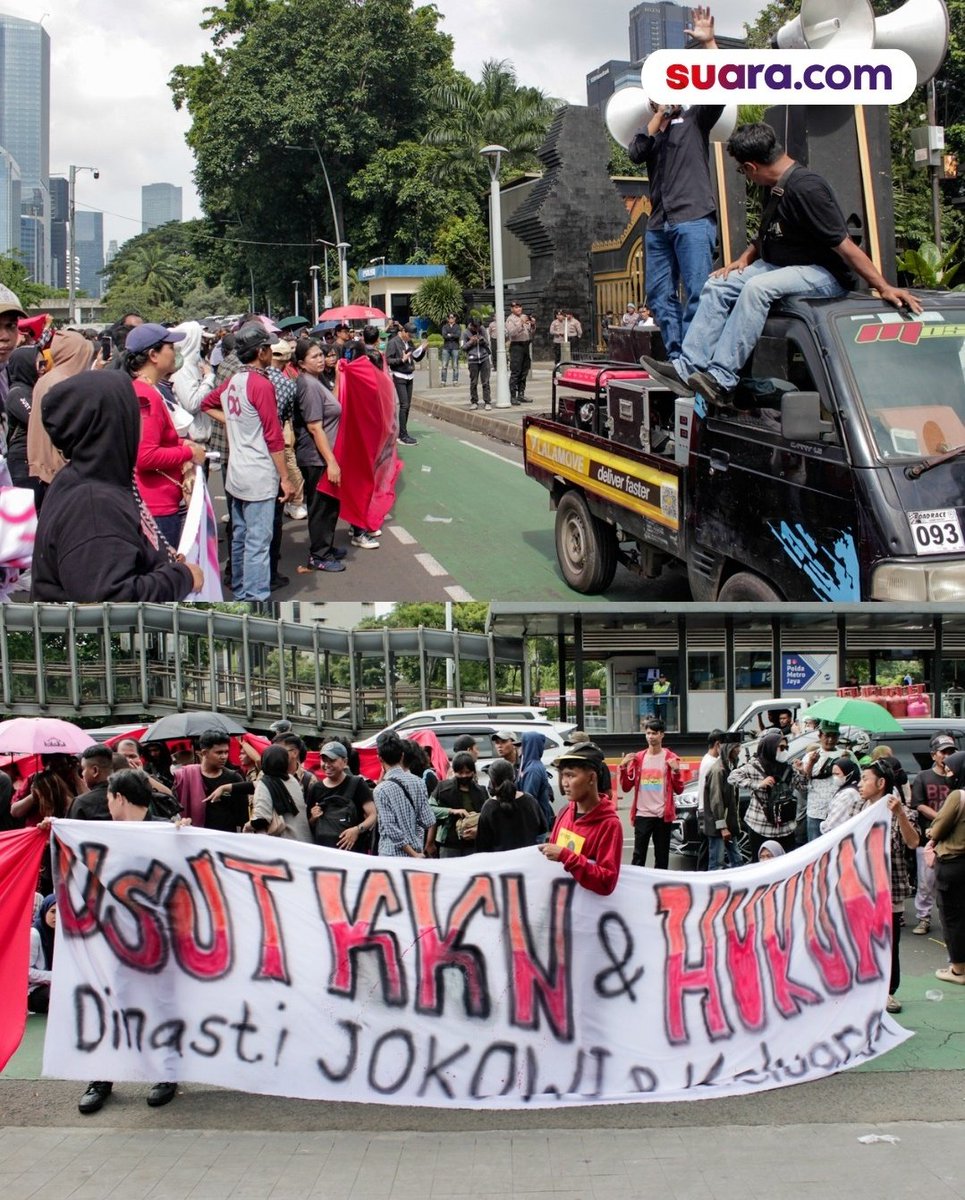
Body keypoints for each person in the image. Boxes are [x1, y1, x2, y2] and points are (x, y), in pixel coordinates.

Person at [641, 122, 922, 406]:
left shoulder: (807, 189)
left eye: (742, 171)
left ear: (751, 167)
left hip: (823, 273)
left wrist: (883, 286)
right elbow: (766, 233)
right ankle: (687, 369)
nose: (745, 176)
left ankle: (721, 379)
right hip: (783, 266)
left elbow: (846, 246)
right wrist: (743, 259)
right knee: (718, 285)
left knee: (757, 289)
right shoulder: (775, 185)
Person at [31, 373, 202, 602]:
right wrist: (182, 578)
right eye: (135, 411)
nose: (141, 420)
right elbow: (109, 598)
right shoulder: (92, 505)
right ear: (111, 424)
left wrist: (165, 561)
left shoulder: (95, 477)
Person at [78, 768, 182, 1114]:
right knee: (114, 1001)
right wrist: (53, 829)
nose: (107, 804)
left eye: (109, 797)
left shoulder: (168, 831)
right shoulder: (102, 833)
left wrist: (185, 837)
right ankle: (103, 1076)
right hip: (116, 937)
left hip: (162, 938)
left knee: (163, 1003)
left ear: (119, 798)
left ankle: (167, 1073)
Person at [627, 7, 721, 356]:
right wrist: (659, 116)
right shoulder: (651, 133)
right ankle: (678, 353)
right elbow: (635, 153)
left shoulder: (695, 120)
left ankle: (696, 356)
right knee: (658, 293)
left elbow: (720, 87)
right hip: (658, 224)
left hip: (693, 217)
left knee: (697, 290)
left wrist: (709, 44)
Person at [202, 322, 296, 601]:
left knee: (241, 535)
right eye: (268, 347)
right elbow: (273, 436)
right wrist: (286, 478)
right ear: (260, 352)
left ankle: (241, 588)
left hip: (236, 472)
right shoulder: (260, 384)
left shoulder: (235, 380)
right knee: (258, 541)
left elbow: (207, 404)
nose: (270, 352)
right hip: (258, 474)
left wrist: (234, 422)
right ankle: (255, 596)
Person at [127, 323, 207, 548]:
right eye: (170, 347)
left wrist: (180, 442)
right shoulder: (146, 395)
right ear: (153, 355)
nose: (175, 353)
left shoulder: (147, 389)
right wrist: (188, 452)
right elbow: (145, 456)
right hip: (157, 505)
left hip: (156, 500)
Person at [858, 759, 919, 1013]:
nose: (860, 784)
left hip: (889, 891)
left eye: (865, 779)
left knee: (889, 944)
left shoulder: (901, 812)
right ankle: (862, 989)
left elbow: (913, 842)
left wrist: (900, 815)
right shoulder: (858, 810)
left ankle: (888, 992)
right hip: (861, 890)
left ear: (881, 783)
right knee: (861, 941)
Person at [292, 338, 347, 572]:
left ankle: (327, 547)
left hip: (324, 455)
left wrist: (341, 377)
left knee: (330, 505)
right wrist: (331, 462)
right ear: (302, 363)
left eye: (321, 355)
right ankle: (318, 555)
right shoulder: (308, 385)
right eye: (314, 357)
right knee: (321, 507)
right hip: (316, 457)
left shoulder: (317, 380)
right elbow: (315, 427)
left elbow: (333, 402)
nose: (321, 359)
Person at [539, 743, 622, 895]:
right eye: (563, 775)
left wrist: (565, 856)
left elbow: (607, 883)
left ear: (591, 778)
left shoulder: (609, 824)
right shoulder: (565, 811)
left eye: (570, 775)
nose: (564, 783)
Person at [910, 734, 958, 936]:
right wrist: (942, 817)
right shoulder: (923, 777)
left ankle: (950, 919)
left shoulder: (957, 777)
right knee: (926, 881)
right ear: (933, 755)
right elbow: (919, 804)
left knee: (951, 883)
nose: (947, 756)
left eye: (951, 752)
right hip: (928, 839)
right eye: (943, 752)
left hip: (953, 839)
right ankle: (924, 917)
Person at [619, 717, 683, 869]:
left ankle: (660, 882)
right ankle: (637, 882)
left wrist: (676, 771)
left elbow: (679, 789)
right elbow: (626, 787)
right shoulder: (638, 758)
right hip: (642, 814)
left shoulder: (670, 758)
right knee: (638, 856)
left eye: (654, 733)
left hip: (662, 815)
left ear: (662, 735)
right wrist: (623, 767)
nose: (650, 737)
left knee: (662, 857)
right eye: (648, 733)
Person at [728, 729, 797, 859]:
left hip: (785, 826)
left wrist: (803, 771)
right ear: (770, 748)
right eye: (781, 747)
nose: (784, 751)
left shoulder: (788, 767)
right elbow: (732, 778)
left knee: (787, 863)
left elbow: (803, 787)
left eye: (786, 747)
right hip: (760, 825)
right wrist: (758, 784)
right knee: (760, 863)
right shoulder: (755, 766)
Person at [927, 749, 965, 986]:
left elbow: (938, 829)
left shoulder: (958, 796)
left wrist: (930, 832)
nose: (948, 775)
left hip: (952, 863)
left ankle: (958, 969)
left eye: (950, 771)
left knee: (952, 918)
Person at [372, 731, 436, 857]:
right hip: (416, 851)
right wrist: (417, 851)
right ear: (402, 755)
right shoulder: (418, 782)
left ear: (380, 758)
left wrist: (413, 854)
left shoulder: (380, 790)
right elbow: (428, 820)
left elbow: (391, 829)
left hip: (391, 855)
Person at [307, 741, 377, 852]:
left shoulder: (357, 784)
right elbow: (309, 823)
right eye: (324, 760)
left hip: (351, 852)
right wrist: (313, 818)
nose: (327, 765)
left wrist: (356, 830)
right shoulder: (315, 788)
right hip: (323, 852)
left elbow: (373, 815)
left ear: (345, 762)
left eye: (332, 760)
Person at [173, 730, 249, 832]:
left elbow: (243, 816)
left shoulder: (234, 778)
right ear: (204, 753)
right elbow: (173, 807)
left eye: (226, 752)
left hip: (225, 837)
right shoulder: (185, 775)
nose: (224, 757)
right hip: (194, 834)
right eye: (219, 752)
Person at [476, 757, 546, 852]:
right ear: (514, 777)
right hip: (529, 857)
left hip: (500, 860)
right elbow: (542, 831)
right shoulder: (530, 801)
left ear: (492, 781)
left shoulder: (489, 807)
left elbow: (482, 844)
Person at [247, 744, 312, 842]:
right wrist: (228, 787)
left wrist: (247, 826)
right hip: (305, 842)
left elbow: (262, 820)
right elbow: (251, 785)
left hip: (285, 843)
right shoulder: (292, 780)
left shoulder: (265, 784)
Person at [794, 721, 845, 842]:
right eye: (827, 735)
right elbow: (803, 786)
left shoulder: (846, 755)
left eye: (834, 736)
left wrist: (846, 762)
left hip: (839, 812)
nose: (830, 740)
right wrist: (811, 764)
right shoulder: (810, 756)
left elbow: (855, 780)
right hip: (816, 812)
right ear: (820, 736)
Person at [432, 751, 487, 857]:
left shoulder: (481, 791)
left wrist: (478, 831)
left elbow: (487, 816)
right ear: (454, 771)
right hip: (449, 844)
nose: (464, 776)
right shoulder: (442, 788)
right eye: (460, 773)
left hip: (474, 845)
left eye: (467, 772)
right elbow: (429, 809)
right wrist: (452, 811)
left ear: (473, 772)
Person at [701, 732, 742, 870]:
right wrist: (722, 827)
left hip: (728, 823)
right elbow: (716, 801)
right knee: (716, 864)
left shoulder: (731, 766)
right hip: (718, 825)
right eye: (736, 746)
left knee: (737, 861)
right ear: (728, 748)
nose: (739, 750)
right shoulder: (718, 770)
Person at [385, 322, 427, 446]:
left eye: (412, 336)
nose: (410, 338)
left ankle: (403, 432)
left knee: (407, 405)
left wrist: (423, 350)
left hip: (409, 374)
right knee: (404, 404)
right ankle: (402, 434)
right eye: (409, 335)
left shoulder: (409, 342)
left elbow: (416, 357)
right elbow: (388, 360)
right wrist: (401, 360)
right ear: (403, 331)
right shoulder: (393, 342)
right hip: (399, 375)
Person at [517, 730, 556, 835]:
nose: (519, 748)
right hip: (534, 822)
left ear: (529, 746)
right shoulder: (528, 765)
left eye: (522, 745)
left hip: (534, 825)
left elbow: (528, 799)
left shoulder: (533, 769)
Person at [68, 745, 115, 820]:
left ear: (95, 771)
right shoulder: (127, 798)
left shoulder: (81, 803)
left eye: (83, 769)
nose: (82, 774)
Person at [28, 895, 57, 1014]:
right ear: (44, 910)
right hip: (33, 991)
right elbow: (26, 972)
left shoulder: (62, 934)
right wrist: (55, 976)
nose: (57, 917)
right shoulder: (34, 934)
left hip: (54, 984)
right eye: (53, 912)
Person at [819, 757, 864, 834]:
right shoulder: (853, 786)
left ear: (849, 773)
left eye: (837, 774)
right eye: (833, 774)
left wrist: (823, 826)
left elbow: (831, 826)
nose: (834, 777)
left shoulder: (848, 794)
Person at [504, 301, 533, 404]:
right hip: (516, 346)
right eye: (516, 307)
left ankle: (521, 394)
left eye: (520, 307)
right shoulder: (510, 319)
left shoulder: (524, 316)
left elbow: (530, 332)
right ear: (511, 309)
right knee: (516, 371)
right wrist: (521, 322)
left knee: (524, 370)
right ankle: (512, 396)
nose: (519, 309)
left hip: (525, 345)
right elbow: (512, 333)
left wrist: (533, 324)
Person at [461, 319, 492, 410]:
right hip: (473, 360)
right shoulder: (465, 333)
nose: (477, 329)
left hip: (484, 358)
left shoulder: (482, 330)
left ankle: (487, 402)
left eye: (478, 327)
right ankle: (474, 401)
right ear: (471, 325)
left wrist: (482, 340)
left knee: (485, 381)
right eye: (475, 328)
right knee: (473, 382)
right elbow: (463, 347)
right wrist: (471, 342)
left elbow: (487, 343)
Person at [439, 313, 461, 385]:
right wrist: (452, 335)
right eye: (449, 317)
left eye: (452, 317)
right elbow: (444, 336)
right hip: (446, 347)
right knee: (444, 365)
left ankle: (455, 381)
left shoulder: (458, 327)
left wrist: (449, 335)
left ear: (455, 318)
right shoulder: (445, 327)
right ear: (448, 319)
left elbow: (458, 335)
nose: (451, 319)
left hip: (455, 347)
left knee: (455, 365)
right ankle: (443, 381)